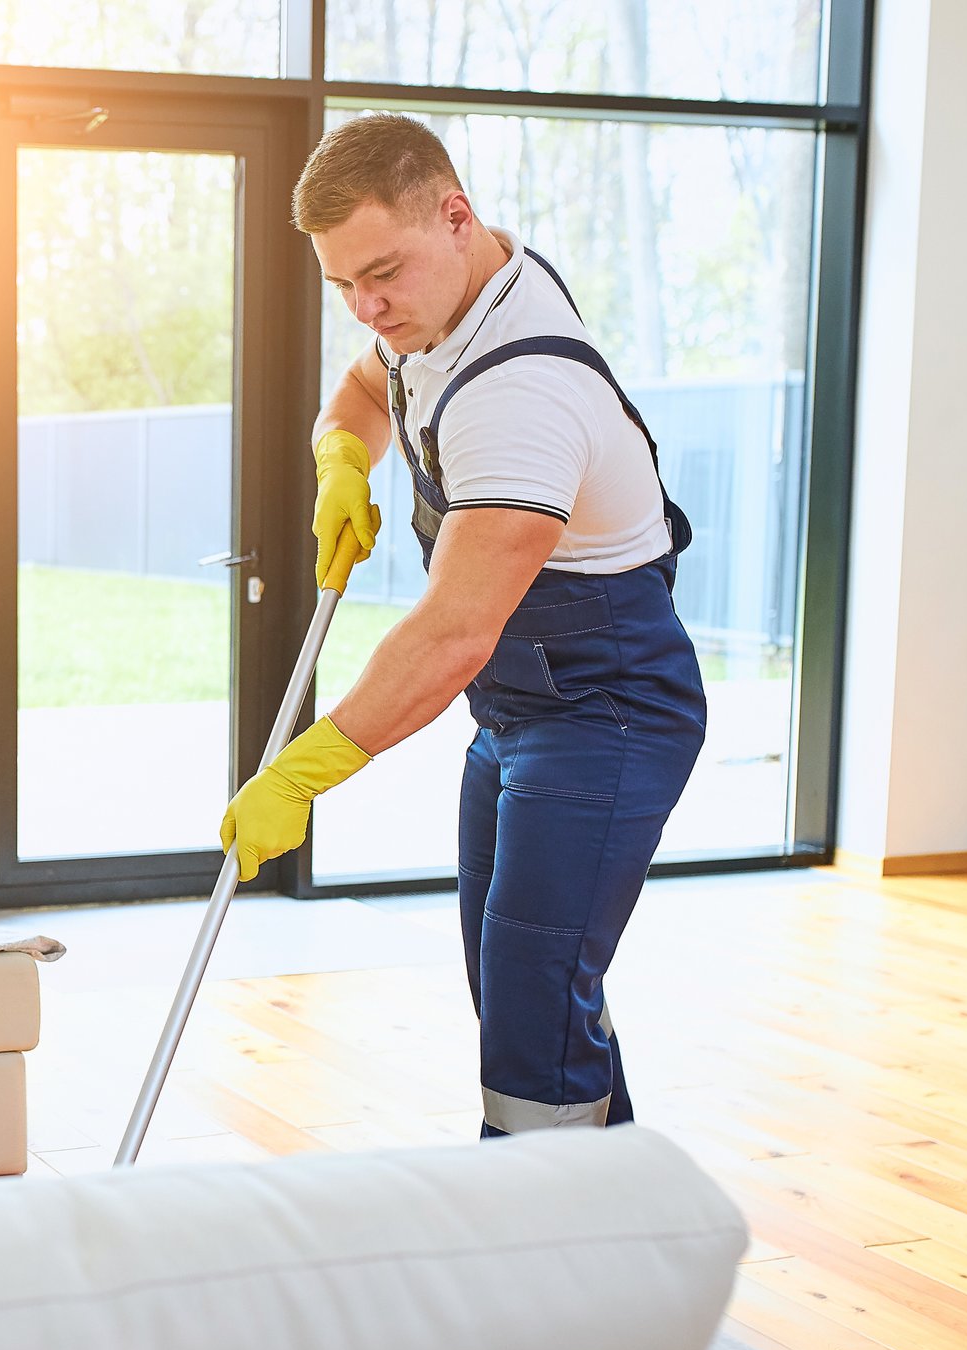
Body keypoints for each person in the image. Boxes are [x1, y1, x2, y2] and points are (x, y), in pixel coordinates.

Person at [219, 115, 707, 1138]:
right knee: (522, 976)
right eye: (342, 284)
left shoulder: (521, 391)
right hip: (518, 709)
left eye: (382, 273)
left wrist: (303, 770)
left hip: (607, 707)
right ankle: (614, 1212)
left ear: (455, 215)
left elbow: (451, 632)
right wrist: (338, 463)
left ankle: (535, 1249)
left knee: (533, 986)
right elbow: (360, 389)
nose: (366, 305)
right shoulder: (439, 310)